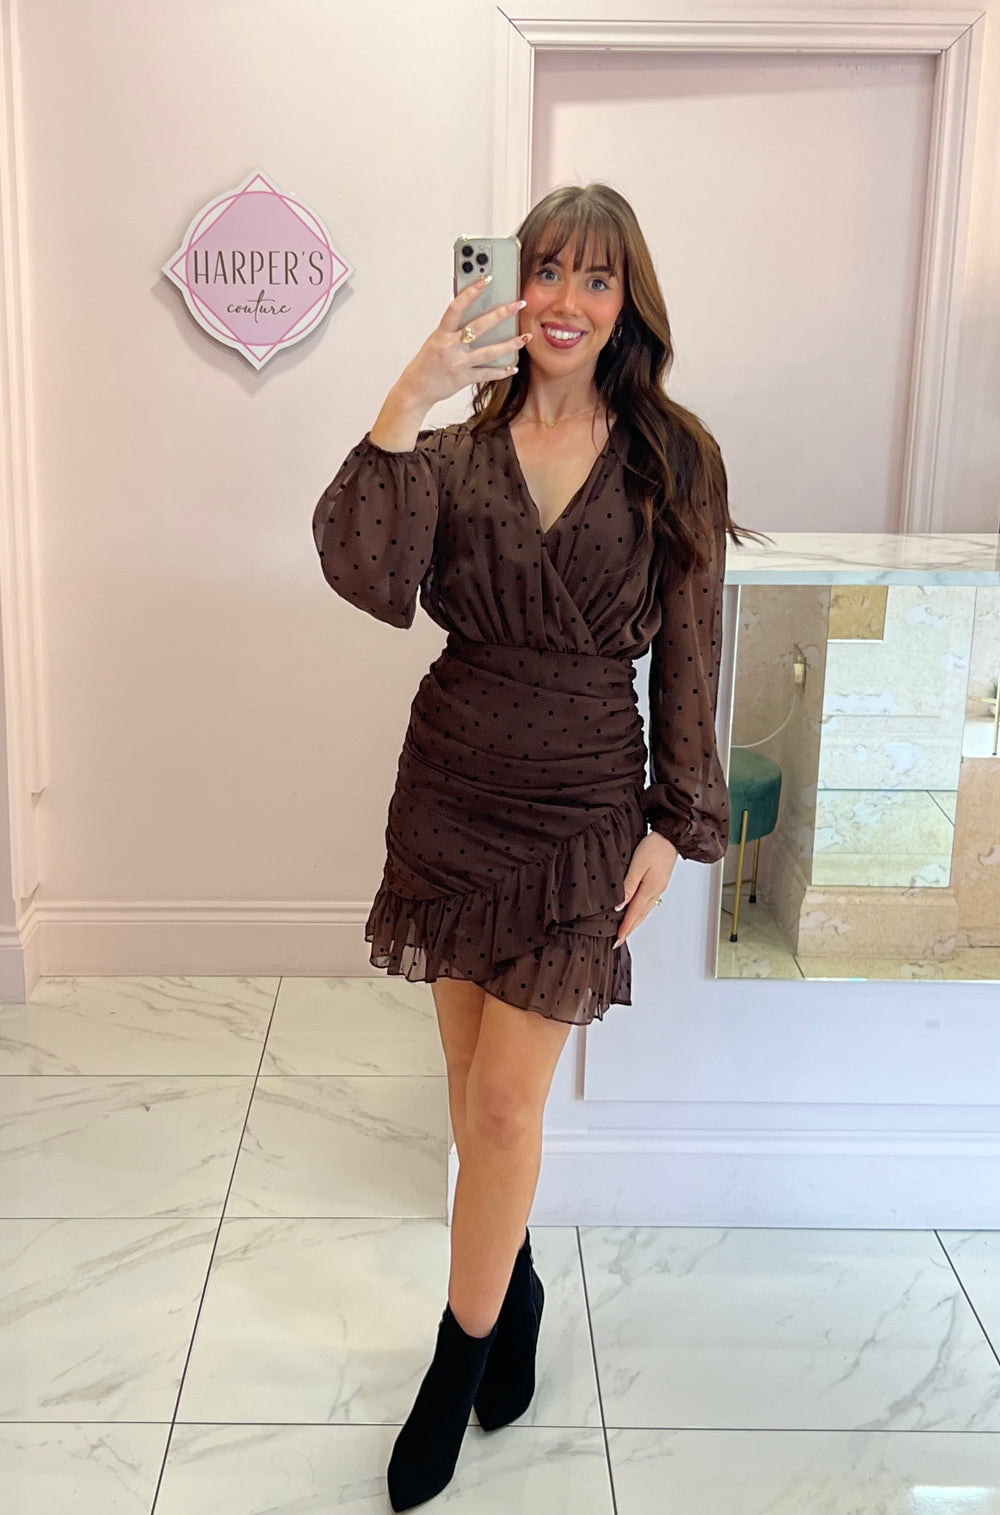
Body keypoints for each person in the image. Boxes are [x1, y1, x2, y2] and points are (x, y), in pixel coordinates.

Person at [312, 182, 760, 1511]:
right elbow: (368, 576)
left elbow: (693, 646)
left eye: (595, 278)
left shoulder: (674, 457)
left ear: (628, 305)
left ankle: (454, 1362)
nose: (566, 300)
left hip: (580, 811)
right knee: (470, 1094)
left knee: (507, 1107)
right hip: (451, 790)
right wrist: (410, 391)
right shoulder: (455, 450)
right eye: (547, 270)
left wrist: (675, 820)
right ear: (513, 285)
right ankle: (512, 1290)